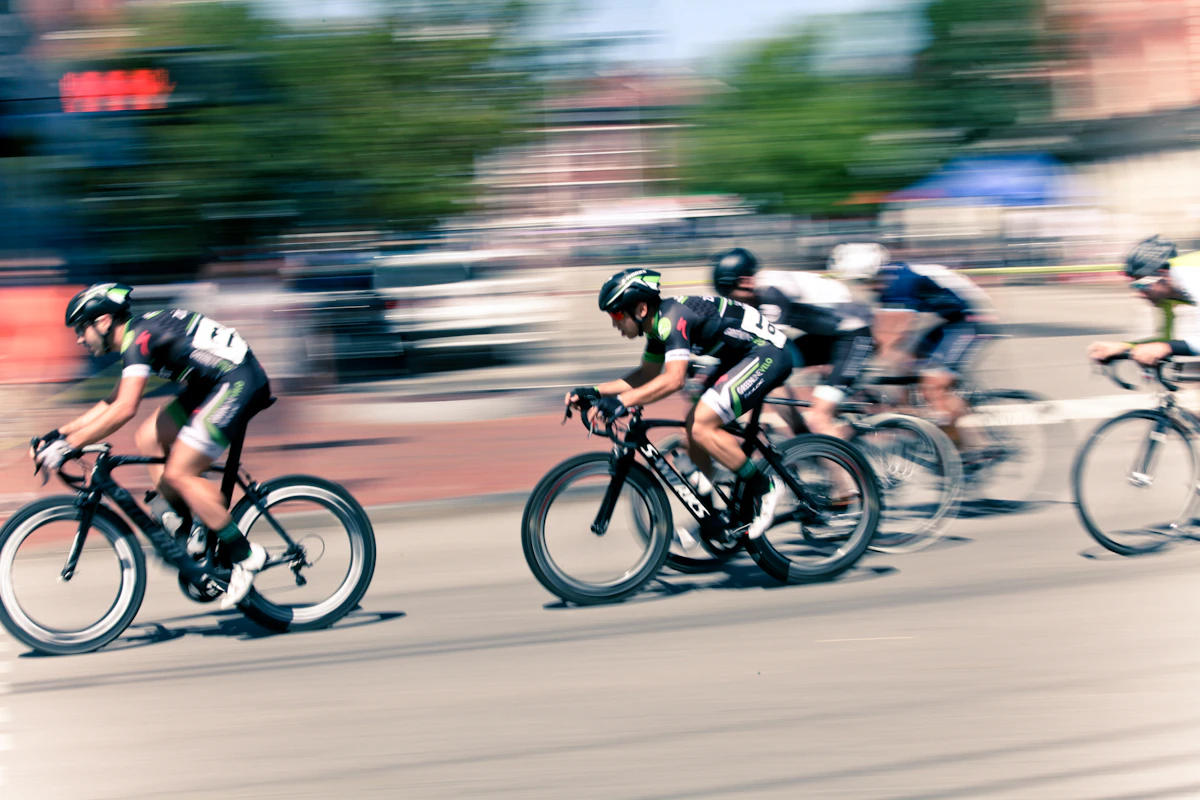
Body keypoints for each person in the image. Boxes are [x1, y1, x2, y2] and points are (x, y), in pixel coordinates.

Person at [30, 283, 271, 609]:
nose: (78, 338)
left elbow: (125, 409)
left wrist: (70, 446)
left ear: (102, 322)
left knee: (180, 472)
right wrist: (59, 435)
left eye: (81, 328)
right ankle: (190, 528)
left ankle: (245, 555)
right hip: (212, 383)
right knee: (149, 437)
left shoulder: (138, 337)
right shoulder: (137, 336)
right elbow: (112, 401)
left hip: (238, 381)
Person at [567, 267, 793, 539]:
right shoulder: (656, 327)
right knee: (692, 429)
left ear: (640, 309)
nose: (614, 322)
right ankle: (712, 514)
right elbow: (646, 375)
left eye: (617, 313)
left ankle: (765, 486)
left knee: (701, 425)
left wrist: (621, 402)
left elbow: (674, 380)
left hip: (766, 353)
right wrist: (594, 391)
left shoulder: (672, 319)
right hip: (738, 356)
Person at [833, 243, 994, 445]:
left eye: (865, 280)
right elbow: (885, 331)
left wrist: (859, 365)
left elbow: (894, 332)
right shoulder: (887, 279)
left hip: (974, 321)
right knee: (906, 365)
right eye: (859, 282)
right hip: (952, 321)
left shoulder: (900, 281)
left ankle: (967, 448)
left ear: (875, 270)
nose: (865, 286)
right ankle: (918, 424)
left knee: (933, 385)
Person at [712, 247, 874, 440]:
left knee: (818, 419)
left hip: (853, 336)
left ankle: (849, 465)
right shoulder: (755, 290)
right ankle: (805, 437)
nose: (732, 301)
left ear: (746, 281)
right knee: (771, 374)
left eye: (732, 295)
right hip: (828, 336)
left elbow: (767, 348)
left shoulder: (771, 293)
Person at [1088, 235, 1200, 367]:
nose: (1138, 294)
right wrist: (1125, 347)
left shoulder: (1193, 277)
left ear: (1163, 274)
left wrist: (1166, 347)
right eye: (1133, 284)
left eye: (1142, 284)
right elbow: (1167, 341)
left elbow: (1167, 346)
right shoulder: (1165, 294)